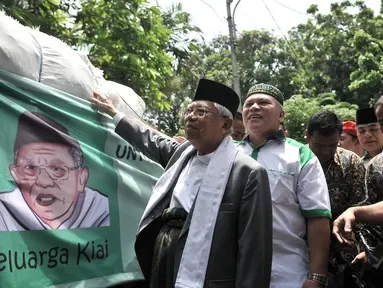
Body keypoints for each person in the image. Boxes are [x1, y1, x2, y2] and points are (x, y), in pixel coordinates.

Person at [92, 79, 273, 287]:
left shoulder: (248, 173)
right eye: (189, 111)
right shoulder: (182, 154)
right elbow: (150, 139)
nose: (191, 117)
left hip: (209, 274)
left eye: (201, 112)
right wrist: (115, 115)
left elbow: (254, 251)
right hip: (164, 257)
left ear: (225, 125)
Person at [236, 83, 331, 288]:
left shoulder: (300, 155)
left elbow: (318, 218)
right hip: (232, 271)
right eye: (248, 104)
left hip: (287, 274)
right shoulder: (228, 153)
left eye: (263, 102)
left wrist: (316, 277)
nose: (254, 107)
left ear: (281, 115)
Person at [0, 111, 109, 231]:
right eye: (30, 168)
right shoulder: (3, 211)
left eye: (56, 169)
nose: (43, 182)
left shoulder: (101, 211)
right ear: (16, 175)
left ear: (81, 179)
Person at [306, 110, 367, 287]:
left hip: (345, 255)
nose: (326, 152)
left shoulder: (351, 163)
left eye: (332, 145)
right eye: (319, 146)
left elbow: (362, 206)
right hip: (303, 254)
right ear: (308, 136)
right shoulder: (296, 162)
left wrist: (365, 250)